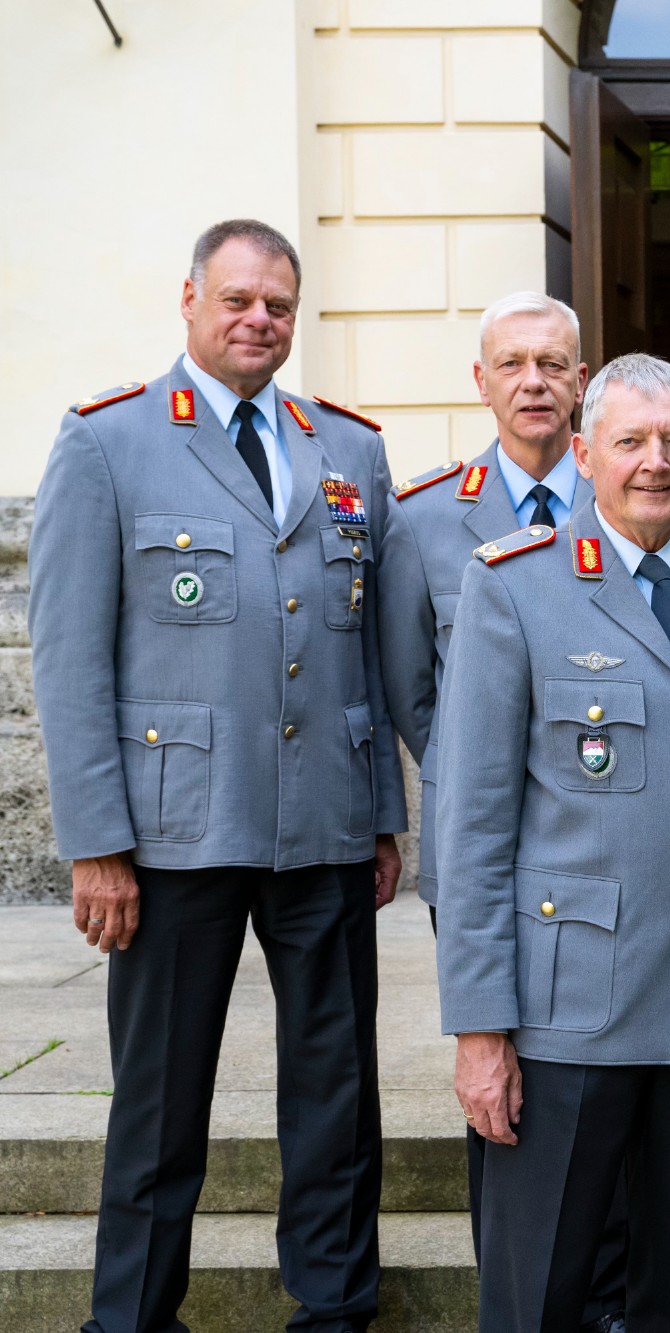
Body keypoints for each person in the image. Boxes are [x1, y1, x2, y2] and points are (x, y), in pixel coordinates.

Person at [29, 218, 406, 1333]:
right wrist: (95, 842)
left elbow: (366, 651)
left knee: (337, 1091)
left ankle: (333, 1307)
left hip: (326, 824)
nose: (258, 320)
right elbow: (68, 657)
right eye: (238, 299)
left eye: (278, 305)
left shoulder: (346, 449)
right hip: (172, 831)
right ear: (189, 299)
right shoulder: (109, 441)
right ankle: (133, 1316)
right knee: (159, 1100)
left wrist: (384, 814)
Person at [432, 352, 670, 1333]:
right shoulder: (514, 586)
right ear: (583, 451)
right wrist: (481, 1028)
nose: (655, 462)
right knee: (541, 1289)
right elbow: (470, 827)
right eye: (631, 441)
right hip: (565, 1013)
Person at [375, 292, 632, 1332]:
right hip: (487, 856)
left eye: (554, 363)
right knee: (506, 1079)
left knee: (611, 1076)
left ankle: (611, 1292)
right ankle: (519, 1290)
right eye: (513, 363)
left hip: (611, 848)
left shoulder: (633, 490)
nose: (534, 381)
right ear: (480, 382)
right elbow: (412, 688)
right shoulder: (425, 517)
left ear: (582, 381)